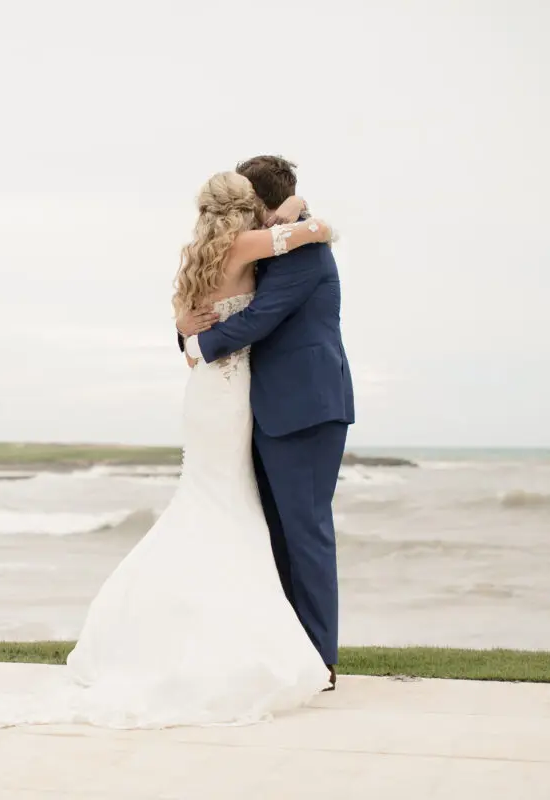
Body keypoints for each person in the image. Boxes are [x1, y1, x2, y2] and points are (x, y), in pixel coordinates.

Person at [0, 167, 339, 729]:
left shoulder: (199, 251)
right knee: (231, 510)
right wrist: (297, 213)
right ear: (248, 208)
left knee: (220, 508)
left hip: (213, 398)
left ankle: (206, 635)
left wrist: (190, 334)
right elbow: (319, 236)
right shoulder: (254, 243)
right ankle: (279, 649)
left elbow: (190, 320)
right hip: (230, 395)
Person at [179, 155, 354, 690]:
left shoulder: (304, 252)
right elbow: (208, 299)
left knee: (306, 535)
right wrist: (186, 328)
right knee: (273, 536)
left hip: (305, 409)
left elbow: (259, 317)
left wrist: (199, 342)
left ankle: (320, 661)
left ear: (257, 204)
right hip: (257, 410)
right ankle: (284, 649)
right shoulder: (261, 244)